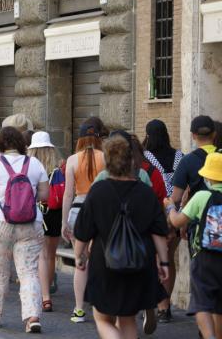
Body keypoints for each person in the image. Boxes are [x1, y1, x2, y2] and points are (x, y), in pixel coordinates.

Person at [74, 134, 169, 339]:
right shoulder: (146, 193)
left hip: (105, 262)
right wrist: (164, 262)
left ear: (107, 162)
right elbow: (159, 231)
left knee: (102, 319)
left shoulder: (98, 191)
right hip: (140, 262)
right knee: (127, 319)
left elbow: (82, 230)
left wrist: (78, 256)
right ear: (132, 161)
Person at [0, 126, 49, 333]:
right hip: (30, 223)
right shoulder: (35, 164)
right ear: (21, 143)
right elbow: (44, 195)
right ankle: (32, 317)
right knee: (28, 272)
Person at [165, 152, 222, 339]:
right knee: (219, 306)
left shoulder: (202, 196)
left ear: (208, 175)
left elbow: (178, 221)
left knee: (202, 303)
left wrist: (170, 207)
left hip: (204, 257)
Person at [62, 121, 105, 323]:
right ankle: (101, 307)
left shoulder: (72, 160)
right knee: (101, 260)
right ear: (98, 138)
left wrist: (64, 222)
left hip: (78, 211)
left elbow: (68, 194)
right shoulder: (105, 158)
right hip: (100, 210)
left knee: (80, 261)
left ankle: (79, 310)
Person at [27, 131, 63, 312]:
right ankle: (47, 290)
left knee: (41, 255)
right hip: (54, 212)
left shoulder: (30, 167)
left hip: (37, 212)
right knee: (51, 254)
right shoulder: (58, 169)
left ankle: (45, 296)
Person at [172, 115, 218, 208]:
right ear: (214, 134)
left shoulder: (186, 161)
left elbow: (176, 197)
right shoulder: (219, 156)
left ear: (193, 135)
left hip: (196, 217)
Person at [143, 119, 184, 198]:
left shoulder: (144, 158)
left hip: (156, 201)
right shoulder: (180, 156)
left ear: (148, 136)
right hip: (179, 203)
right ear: (166, 135)